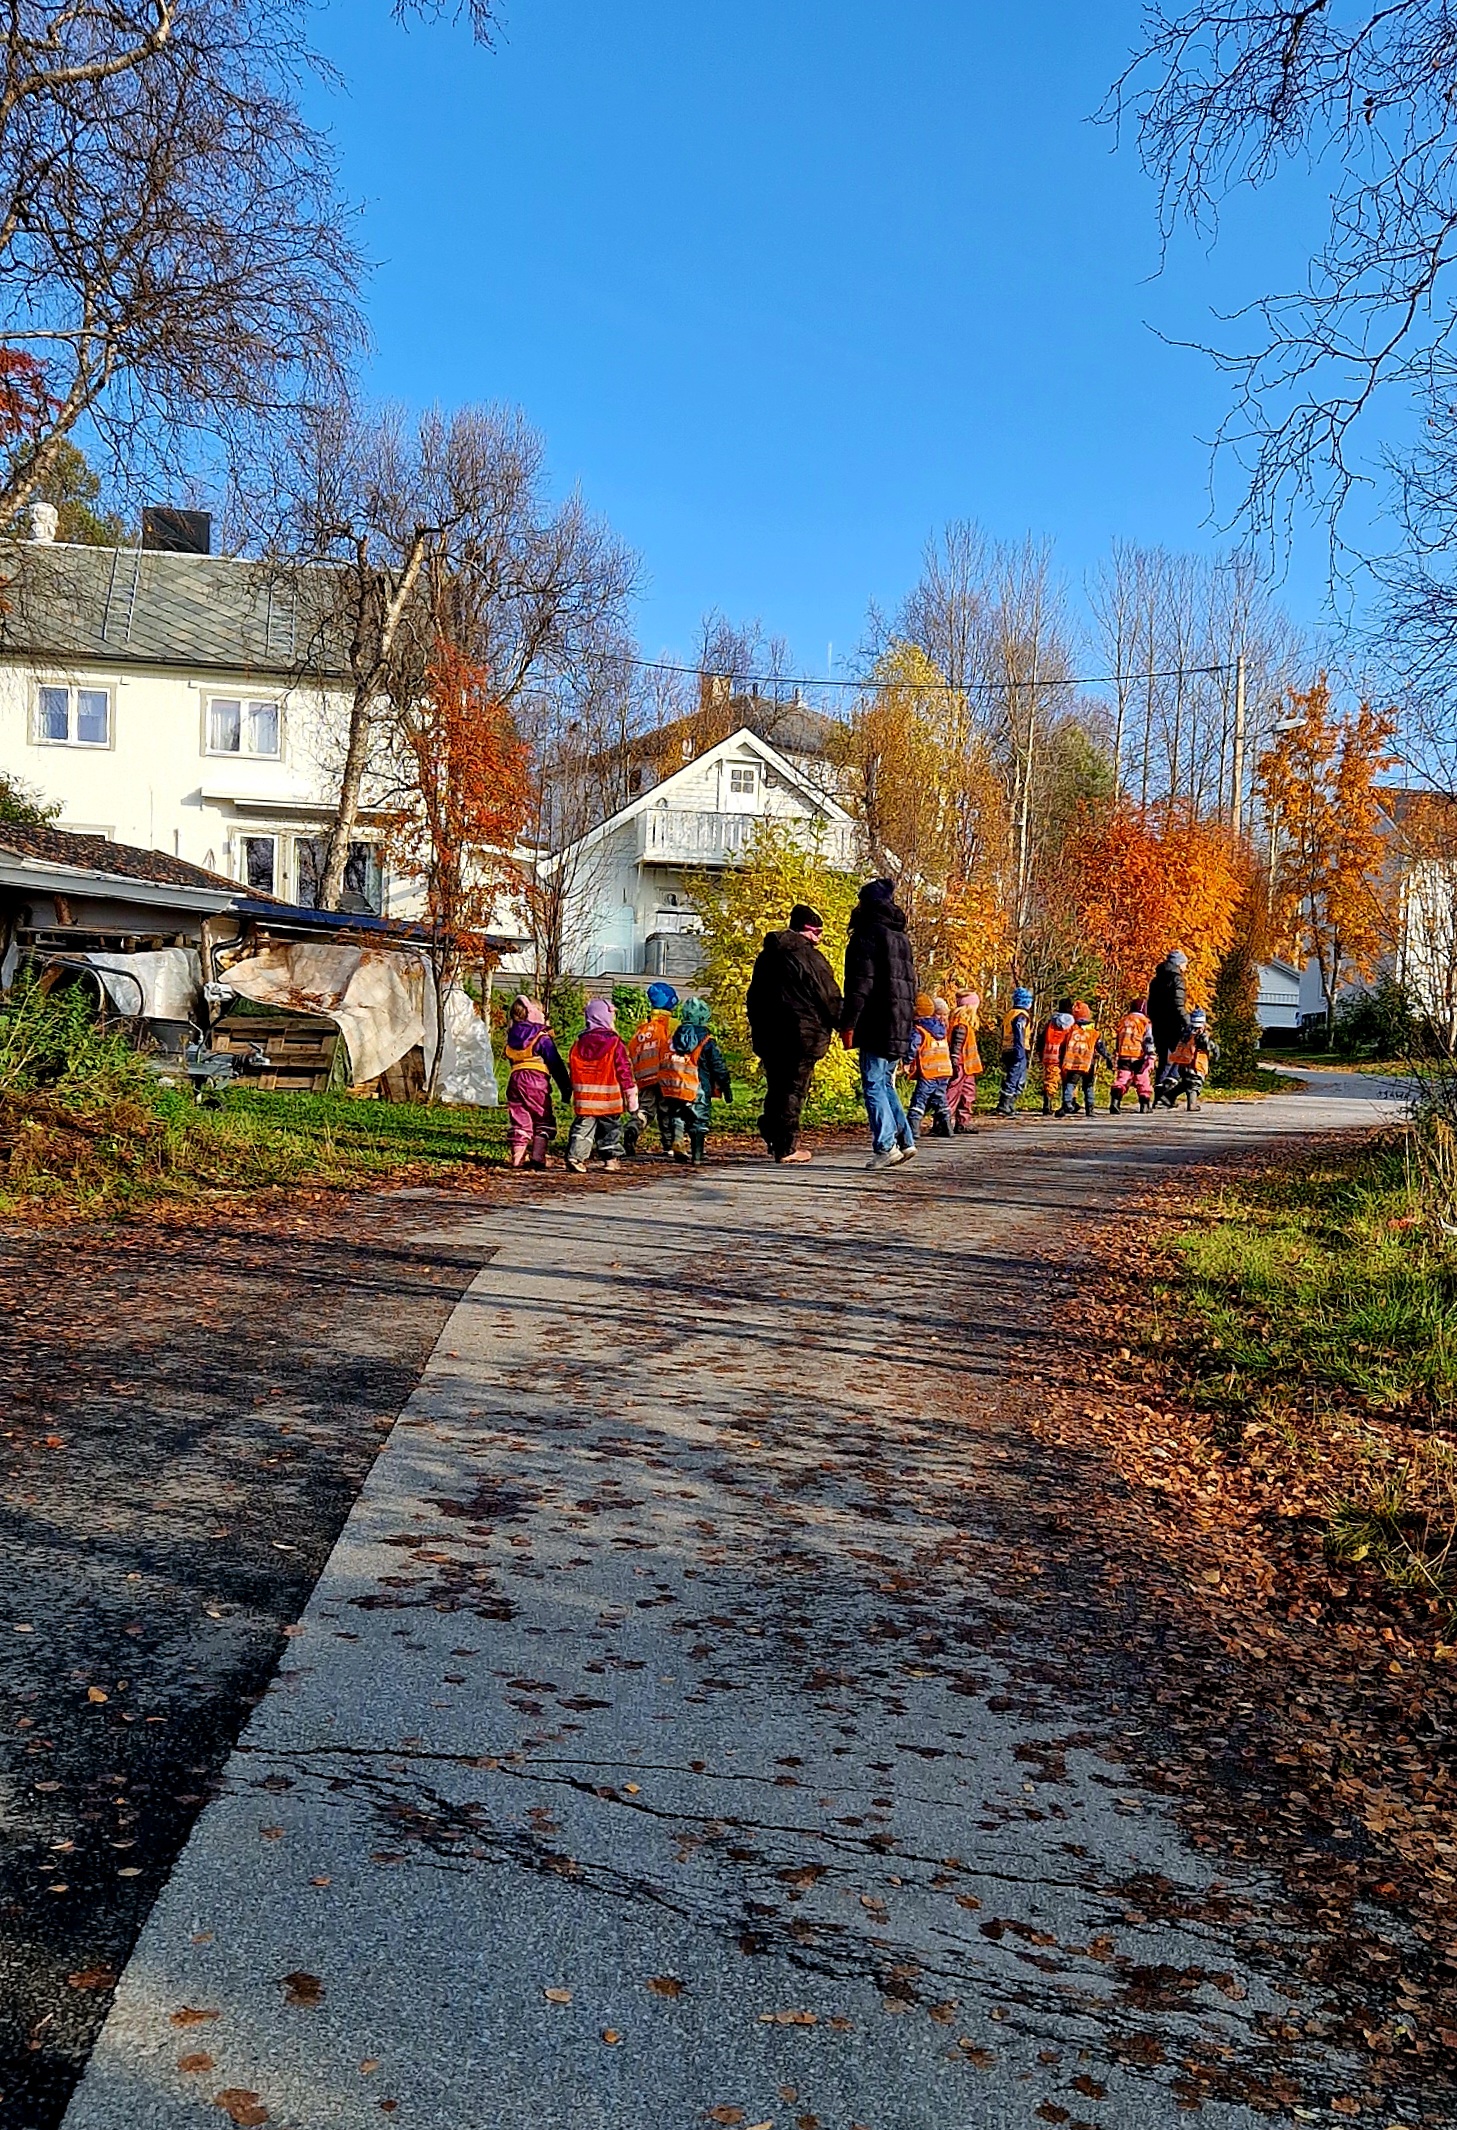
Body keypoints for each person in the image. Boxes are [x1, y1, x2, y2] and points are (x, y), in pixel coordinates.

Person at [745, 902, 843, 1165]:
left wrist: (757, 1027)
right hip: (802, 1035)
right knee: (794, 1089)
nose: (820, 939)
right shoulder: (810, 957)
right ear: (809, 931)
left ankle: (773, 1132)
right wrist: (844, 1024)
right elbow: (828, 996)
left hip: (768, 1034)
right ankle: (786, 1146)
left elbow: (753, 997)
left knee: (776, 1086)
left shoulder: (767, 956)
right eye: (819, 932)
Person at [841, 877, 918, 1171]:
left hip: (876, 1020)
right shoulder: (900, 937)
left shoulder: (867, 935)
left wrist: (848, 1022)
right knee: (886, 1082)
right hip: (900, 1020)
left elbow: (860, 985)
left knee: (873, 1083)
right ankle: (904, 1138)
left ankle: (886, 1145)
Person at [566, 998, 639, 1173]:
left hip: (585, 1098)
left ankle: (575, 1156)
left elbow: (573, 1067)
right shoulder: (615, 1043)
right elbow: (624, 1070)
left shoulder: (578, 1043)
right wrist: (630, 1094)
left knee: (583, 1127)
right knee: (610, 1129)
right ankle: (610, 1160)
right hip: (609, 1100)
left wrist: (571, 1089)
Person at [657, 996, 732, 1165]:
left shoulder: (672, 1038)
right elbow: (718, 1066)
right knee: (698, 1122)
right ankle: (697, 1156)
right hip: (697, 1088)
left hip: (673, 1086)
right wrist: (726, 1086)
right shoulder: (707, 1041)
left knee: (677, 1115)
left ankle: (677, 1138)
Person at [503, 995, 573, 1169]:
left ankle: (517, 1159)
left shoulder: (512, 1036)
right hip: (536, 1081)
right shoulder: (541, 1037)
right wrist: (566, 1088)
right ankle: (538, 1157)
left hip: (514, 1080)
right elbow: (555, 1063)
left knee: (520, 1118)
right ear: (533, 1014)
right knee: (542, 1117)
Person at [625, 981, 678, 1157]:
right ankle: (669, 1145)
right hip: (665, 1075)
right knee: (666, 1111)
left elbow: (632, 1049)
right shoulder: (671, 1024)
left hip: (644, 1076)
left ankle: (633, 1128)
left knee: (645, 1109)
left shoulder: (643, 1027)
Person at [905, 991, 953, 1140]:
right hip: (944, 1070)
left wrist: (907, 1061)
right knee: (940, 1098)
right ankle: (947, 1128)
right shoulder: (941, 1029)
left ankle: (912, 1131)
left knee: (919, 1099)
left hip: (929, 1072)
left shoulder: (919, 1030)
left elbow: (913, 1046)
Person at [1155, 1008, 1218, 1111]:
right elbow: (1208, 1045)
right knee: (1194, 1084)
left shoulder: (1186, 1033)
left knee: (1185, 1083)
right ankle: (1191, 1105)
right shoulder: (1200, 1035)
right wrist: (1215, 1049)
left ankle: (1168, 1097)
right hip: (1195, 1065)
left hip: (1183, 1064)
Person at [1058, 1001, 1112, 1119]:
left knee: (1070, 1084)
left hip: (1073, 1063)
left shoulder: (1071, 1030)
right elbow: (1100, 1047)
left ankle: (1067, 1103)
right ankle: (1090, 1108)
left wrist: (1061, 1058)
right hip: (1088, 1064)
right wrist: (1108, 1057)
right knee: (1088, 1086)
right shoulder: (1093, 1032)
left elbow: (1063, 1045)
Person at [1148, 948, 1191, 1084]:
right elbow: (1178, 1005)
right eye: (1185, 963)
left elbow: (1151, 1005)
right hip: (1173, 1025)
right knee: (1175, 1058)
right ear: (1178, 964)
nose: (1186, 967)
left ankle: (1161, 1091)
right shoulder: (1177, 979)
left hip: (1158, 1024)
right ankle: (1164, 1092)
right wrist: (1188, 1023)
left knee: (1164, 1059)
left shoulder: (1156, 980)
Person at [1109, 996, 1156, 1115]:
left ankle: (1115, 1102)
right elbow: (1148, 1040)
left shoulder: (1124, 1021)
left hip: (1124, 1055)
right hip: (1139, 1056)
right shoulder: (1144, 1022)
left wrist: (1116, 1053)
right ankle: (1144, 1105)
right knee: (1143, 1080)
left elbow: (1118, 1039)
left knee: (1122, 1079)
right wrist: (1150, 1055)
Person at [946, 986, 982, 1131]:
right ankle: (944, 1120)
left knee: (968, 1094)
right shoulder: (960, 1024)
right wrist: (954, 1060)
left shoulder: (964, 1023)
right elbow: (957, 1044)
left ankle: (963, 1122)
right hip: (960, 1065)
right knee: (952, 1094)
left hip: (968, 1067)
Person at [995, 987, 1035, 1116]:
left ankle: (1009, 1105)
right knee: (1015, 1078)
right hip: (1018, 1050)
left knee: (1012, 1076)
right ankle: (1005, 1105)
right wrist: (1020, 1051)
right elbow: (1019, 1034)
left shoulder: (1010, 1014)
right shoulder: (1021, 1016)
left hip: (1007, 1049)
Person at [1037, 998, 1076, 1116]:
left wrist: (1040, 1052)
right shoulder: (1072, 1024)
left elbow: (1041, 1038)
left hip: (1050, 1055)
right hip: (1066, 1056)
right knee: (1069, 1081)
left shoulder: (1051, 1023)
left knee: (1050, 1080)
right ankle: (1070, 1103)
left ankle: (1047, 1104)